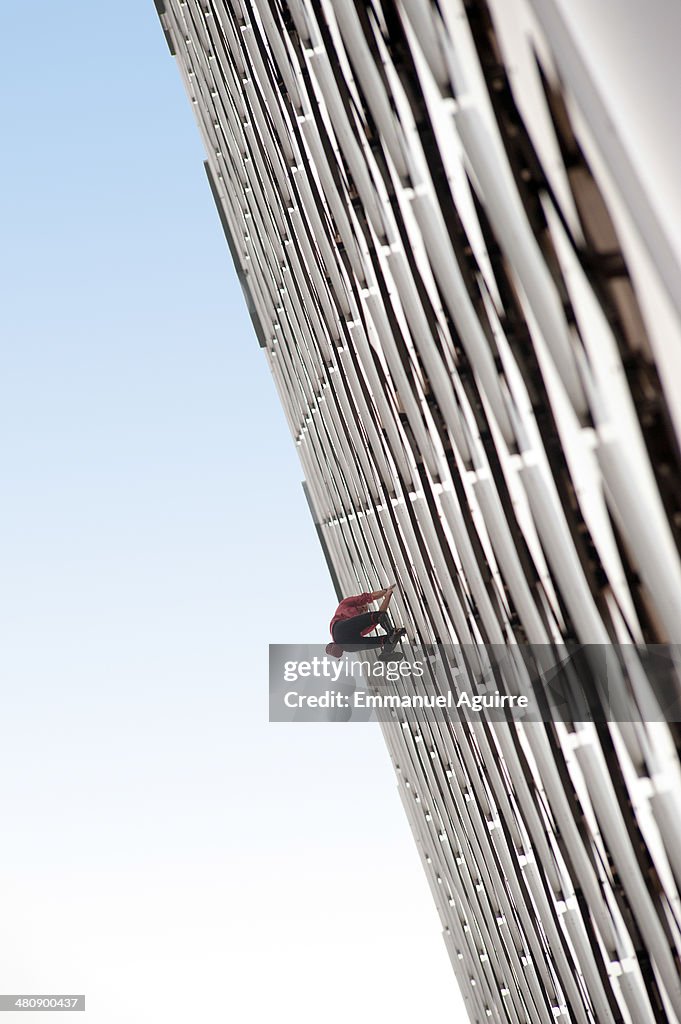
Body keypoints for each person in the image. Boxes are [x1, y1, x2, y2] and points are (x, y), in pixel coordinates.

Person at [325, 584, 405, 658]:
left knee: (384, 641)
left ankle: (387, 652)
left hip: (348, 647)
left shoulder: (363, 627)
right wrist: (385, 591)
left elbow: (380, 615)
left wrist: (387, 597)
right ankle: (393, 634)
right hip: (339, 631)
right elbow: (368, 597)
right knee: (377, 617)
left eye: (364, 610)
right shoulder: (344, 605)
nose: (364, 609)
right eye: (363, 607)